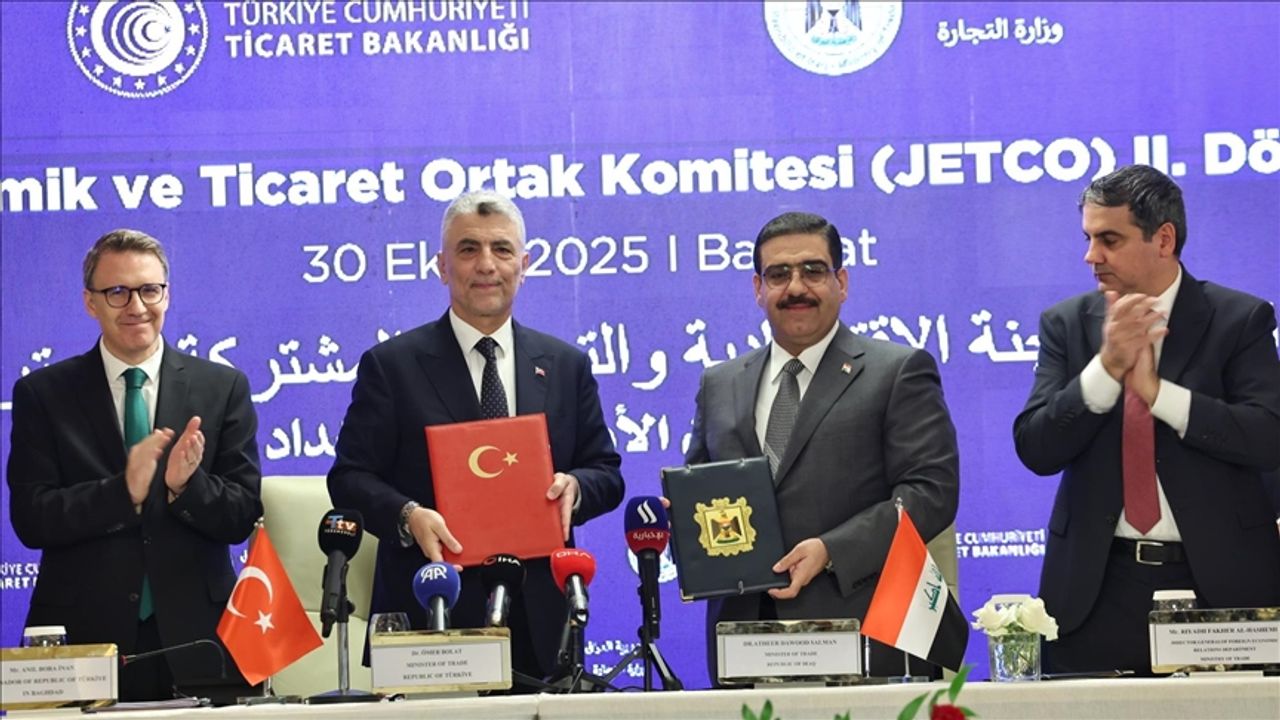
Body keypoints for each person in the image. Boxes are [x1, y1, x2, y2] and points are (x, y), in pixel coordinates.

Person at [327, 191, 624, 684]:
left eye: (502, 249)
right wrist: (408, 516)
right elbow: (349, 478)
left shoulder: (566, 365)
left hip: (541, 617)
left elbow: (605, 471)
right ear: (442, 266)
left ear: (524, 266)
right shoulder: (392, 366)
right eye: (468, 249)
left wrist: (576, 487)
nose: (486, 264)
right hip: (431, 609)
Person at [1013, 164, 1280, 674]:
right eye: (1089, 238)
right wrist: (1105, 369)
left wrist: (1159, 396)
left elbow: (1267, 436)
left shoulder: (1239, 320)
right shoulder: (1066, 324)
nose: (1092, 256)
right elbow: (1037, 448)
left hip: (1218, 587)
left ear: (1164, 239)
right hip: (1095, 589)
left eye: (1109, 240)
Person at [684, 210, 959, 680]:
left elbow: (931, 492)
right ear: (758, 289)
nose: (796, 287)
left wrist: (831, 550)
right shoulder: (720, 383)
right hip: (744, 641)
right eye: (778, 275)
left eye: (813, 270)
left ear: (841, 282)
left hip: (866, 632)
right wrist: (684, 524)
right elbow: (703, 491)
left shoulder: (897, 370)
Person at [7, 229, 263, 701]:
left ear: (167, 294)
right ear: (90, 302)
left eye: (149, 290)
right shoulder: (43, 395)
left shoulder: (223, 387)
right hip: (83, 638)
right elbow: (32, 517)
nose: (137, 306)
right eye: (118, 292)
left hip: (202, 638)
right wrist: (123, 491)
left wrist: (186, 487)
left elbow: (242, 515)